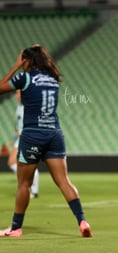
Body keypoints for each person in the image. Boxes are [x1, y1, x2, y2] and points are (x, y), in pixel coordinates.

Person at [0, 45, 92, 238]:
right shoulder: (53, 79)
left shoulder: (25, 78)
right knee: (64, 181)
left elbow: (1, 87)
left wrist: (16, 66)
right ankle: (82, 220)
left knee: (24, 184)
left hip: (33, 134)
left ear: (26, 61)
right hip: (54, 133)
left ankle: (16, 227)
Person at [8, 90, 40, 198]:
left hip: (27, 137)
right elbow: (18, 126)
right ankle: (31, 188)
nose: (17, 95)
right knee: (15, 162)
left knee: (22, 163)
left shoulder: (29, 106)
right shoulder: (19, 107)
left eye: (19, 93)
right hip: (20, 138)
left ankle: (33, 190)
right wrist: (14, 138)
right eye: (16, 93)